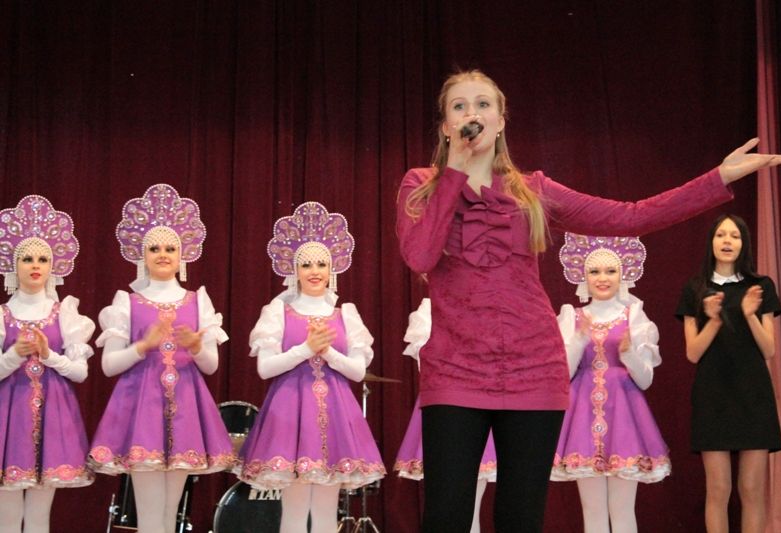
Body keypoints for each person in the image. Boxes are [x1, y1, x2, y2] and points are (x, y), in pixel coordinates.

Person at [394, 68, 781, 532]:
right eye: (459, 106)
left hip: (533, 370)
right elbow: (419, 255)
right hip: (456, 369)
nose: (472, 114)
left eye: (483, 104)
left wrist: (718, 177)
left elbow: (629, 217)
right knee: (445, 517)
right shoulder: (420, 184)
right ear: (446, 125)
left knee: (520, 518)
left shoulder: (533, 190)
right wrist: (454, 171)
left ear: (501, 121)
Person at [88, 184, 235, 533]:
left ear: (182, 255)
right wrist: (143, 345)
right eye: (154, 248)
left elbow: (211, 365)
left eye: (170, 248)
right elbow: (109, 365)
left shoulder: (198, 301)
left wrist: (196, 345)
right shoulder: (126, 302)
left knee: (171, 513)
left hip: (186, 408)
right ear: (143, 255)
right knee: (151, 513)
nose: (163, 254)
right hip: (142, 410)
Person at [237, 201, 385, 533]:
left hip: (336, 414)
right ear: (295, 270)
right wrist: (306, 348)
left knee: (326, 511)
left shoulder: (346, 313)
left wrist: (327, 351)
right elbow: (265, 368)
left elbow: (357, 372)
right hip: (290, 413)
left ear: (332, 269)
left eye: (321, 264)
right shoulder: (277, 312)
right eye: (306, 264)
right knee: (293, 509)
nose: (314, 271)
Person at [551, 233, 670, 533]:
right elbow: (563, 375)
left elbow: (645, 380)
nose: (602, 278)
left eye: (610, 270)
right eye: (594, 271)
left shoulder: (635, 317)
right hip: (582, 418)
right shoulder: (572, 317)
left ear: (623, 274)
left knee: (622, 509)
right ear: (583, 276)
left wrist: (629, 355)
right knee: (592, 510)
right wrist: (578, 341)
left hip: (625, 417)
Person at [675, 214, 781, 533]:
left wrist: (749, 315)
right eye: (721, 235)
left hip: (754, 396)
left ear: (743, 243)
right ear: (711, 241)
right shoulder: (695, 288)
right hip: (713, 396)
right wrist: (714, 320)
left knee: (751, 489)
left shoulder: (760, 286)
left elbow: (769, 349)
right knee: (718, 489)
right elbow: (693, 353)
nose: (727, 241)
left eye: (735, 236)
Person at [0, 195, 94, 533]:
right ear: (14, 265)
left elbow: (80, 372)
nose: (35, 265)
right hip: (7, 419)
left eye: (42, 258)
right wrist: (15, 354)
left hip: (54, 417)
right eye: (27, 258)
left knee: (40, 515)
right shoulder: (2, 315)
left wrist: (49, 354)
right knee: (7, 515)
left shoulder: (65, 314)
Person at [394, 298, 496, 533]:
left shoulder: (491, 300)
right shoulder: (430, 308)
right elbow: (426, 361)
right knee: (448, 497)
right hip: (446, 404)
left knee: (474, 497)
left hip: (485, 401)